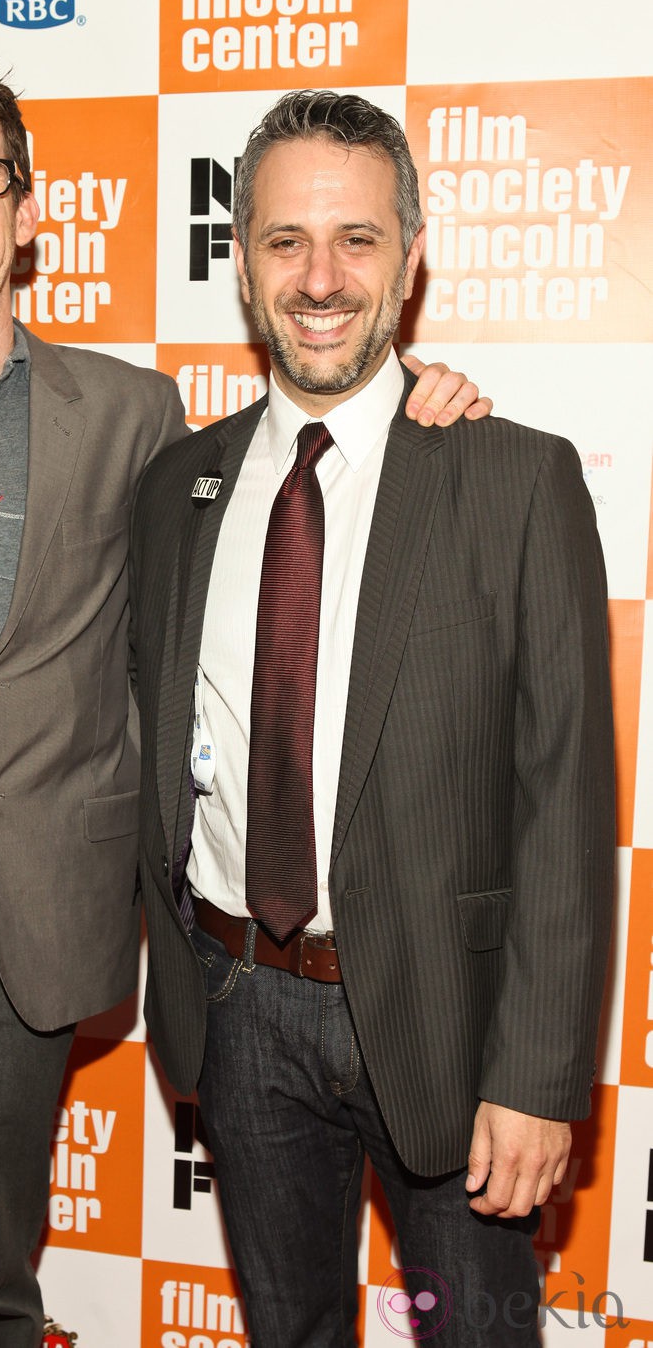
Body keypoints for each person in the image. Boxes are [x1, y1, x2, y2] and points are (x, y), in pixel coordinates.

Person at [0, 42, 487, 1348]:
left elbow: (268, 526)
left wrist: (416, 410)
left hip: (25, 954)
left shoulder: (132, 417)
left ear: (29, 208)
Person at [130, 90, 615, 1348]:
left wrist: (536, 1076)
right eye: (285, 240)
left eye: (356, 238)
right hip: (238, 1010)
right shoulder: (177, 487)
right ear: (240, 264)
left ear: (409, 259)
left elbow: (564, 803)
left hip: (449, 1037)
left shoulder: (511, 477)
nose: (320, 276)